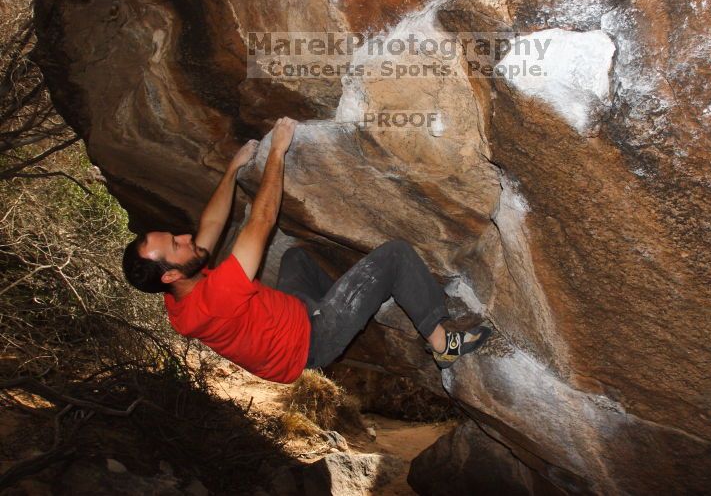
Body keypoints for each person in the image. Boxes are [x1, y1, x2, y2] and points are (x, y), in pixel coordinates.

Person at [122, 117, 491, 384]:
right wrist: (277, 152)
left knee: (295, 258)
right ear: (169, 273)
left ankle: (362, 299)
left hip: (289, 313)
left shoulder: (176, 294)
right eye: (175, 245)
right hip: (309, 342)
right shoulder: (214, 300)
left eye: (176, 237)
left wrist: (233, 169)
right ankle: (444, 343)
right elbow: (262, 221)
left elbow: (210, 228)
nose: (185, 238)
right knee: (395, 255)